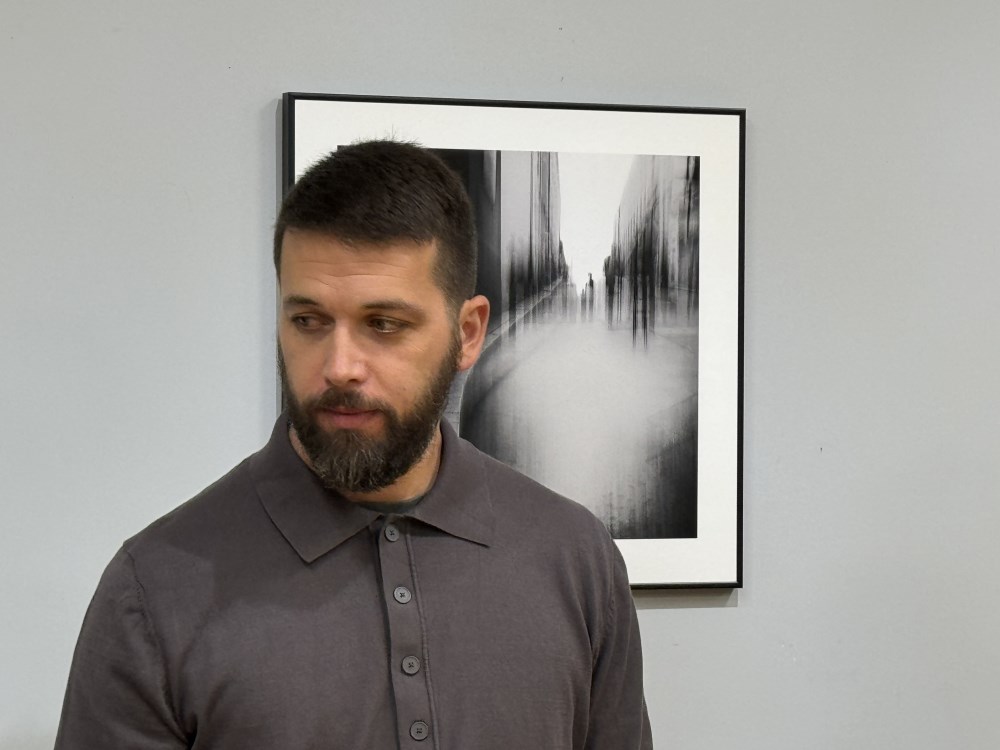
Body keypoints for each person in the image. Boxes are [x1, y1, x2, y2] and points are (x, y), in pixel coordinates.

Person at [55, 140, 652, 749]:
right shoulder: (154, 590)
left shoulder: (576, 558)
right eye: (308, 321)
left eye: (383, 324)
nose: (340, 367)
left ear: (468, 333)